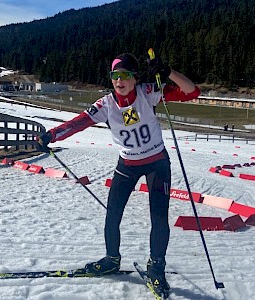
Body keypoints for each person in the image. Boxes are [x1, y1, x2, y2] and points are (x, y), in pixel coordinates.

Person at [38, 53, 200, 297]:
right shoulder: (106, 104)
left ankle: (157, 267)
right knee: (112, 213)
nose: (118, 81)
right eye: (114, 76)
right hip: (128, 164)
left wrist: (167, 72)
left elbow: (192, 92)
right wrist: (52, 135)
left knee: (159, 218)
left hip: (157, 163)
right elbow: (79, 122)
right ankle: (111, 258)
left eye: (124, 75)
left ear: (134, 78)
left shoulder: (148, 92)